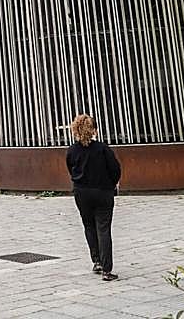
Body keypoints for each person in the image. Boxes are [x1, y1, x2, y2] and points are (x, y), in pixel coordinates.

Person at [65, 114, 121, 282]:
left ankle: (96, 260)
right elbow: (115, 169)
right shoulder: (103, 149)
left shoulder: (72, 151)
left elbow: (71, 170)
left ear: (75, 130)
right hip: (103, 192)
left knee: (89, 226)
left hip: (82, 193)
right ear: (95, 130)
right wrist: (113, 183)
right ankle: (106, 269)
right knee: (103, 229)